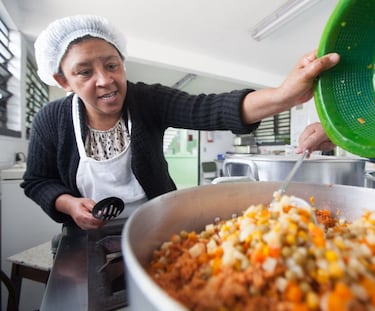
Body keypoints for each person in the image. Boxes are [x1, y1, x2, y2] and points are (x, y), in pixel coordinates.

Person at [21, 15, 340, 230]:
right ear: (63, 80)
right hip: (84, 237)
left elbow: (210, 108)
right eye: (85, 72)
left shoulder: (146, 100)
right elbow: (37, 181)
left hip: (156, 226)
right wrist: (69, 205)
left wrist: (284, 95)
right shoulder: (52, 119)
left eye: (112, 65)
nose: (105, 80)